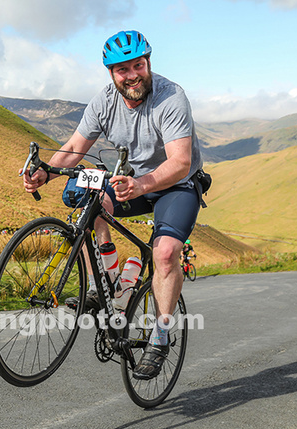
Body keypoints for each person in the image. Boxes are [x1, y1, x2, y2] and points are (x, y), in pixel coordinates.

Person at [22, 30, 203, 381]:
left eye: (138, 65)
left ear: (148, 63)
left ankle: (160, 335)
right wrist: (46, 172)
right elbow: (74, 147)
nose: (132, 75)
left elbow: (180, 162)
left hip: (176, 184)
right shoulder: (103, 101)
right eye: (123, 69)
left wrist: (141, 185)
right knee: (84, 199)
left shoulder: (171, 97)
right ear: (111, 73)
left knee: (166, 254)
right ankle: (107, 281)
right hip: (129, 183)